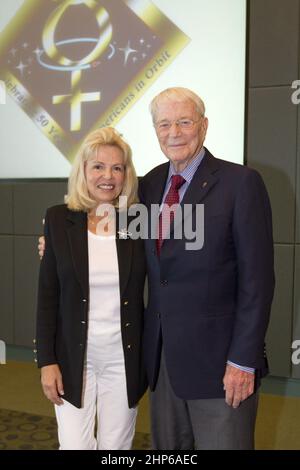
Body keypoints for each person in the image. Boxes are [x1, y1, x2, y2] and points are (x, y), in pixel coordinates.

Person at [138, 87, 275, 450]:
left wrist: (243, 361)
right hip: (164, 364)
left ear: (204, 125)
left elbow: (257, 282)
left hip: (222, 367)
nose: (174, 132)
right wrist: (56, 244)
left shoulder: (240, 183)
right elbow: (114, 240)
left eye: (184, 121)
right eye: (164, 124)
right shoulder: (148, 185)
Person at [35, 127, 147, 450]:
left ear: (127, 174)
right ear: (83, 171)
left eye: (117, 167)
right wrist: (46, 361)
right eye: (98, 166)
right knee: (74, 446)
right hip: (72, 357)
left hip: (123, 359)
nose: (107, 176)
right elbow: (47, 297)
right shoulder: (58, 220)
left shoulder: (137, 221)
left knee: (116, 450)